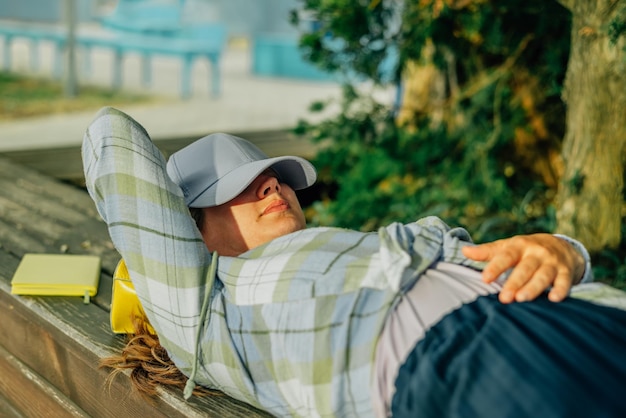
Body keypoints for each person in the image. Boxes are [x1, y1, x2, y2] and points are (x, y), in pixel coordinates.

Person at [83, 107, 626, 418]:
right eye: (235, 189)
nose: (270, 184)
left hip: (569, 313)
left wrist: (564, 250)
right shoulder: (203, 317)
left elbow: (518, 259)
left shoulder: (355, 246)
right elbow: (110, 136)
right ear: (187, 229)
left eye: (270, 176)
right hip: (468, 363)